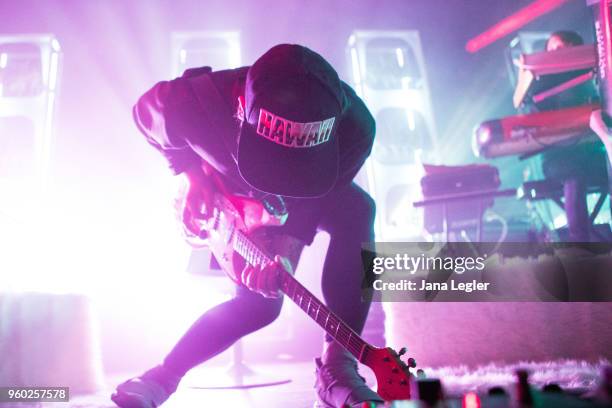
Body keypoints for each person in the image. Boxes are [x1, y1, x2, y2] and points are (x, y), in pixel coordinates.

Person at [111, 44, 383, 408]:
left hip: (298, 205)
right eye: (278, 158)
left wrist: (282, 251)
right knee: (259, 305)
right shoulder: (188, 104)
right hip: (230, 195)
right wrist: (191, 174)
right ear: (241, 109)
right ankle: (162, 377)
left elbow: (314, 203)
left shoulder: (356, 130)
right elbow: (144, 117)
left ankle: (339, 366)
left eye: (298, 159)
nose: (285, 171)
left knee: (358, 211)